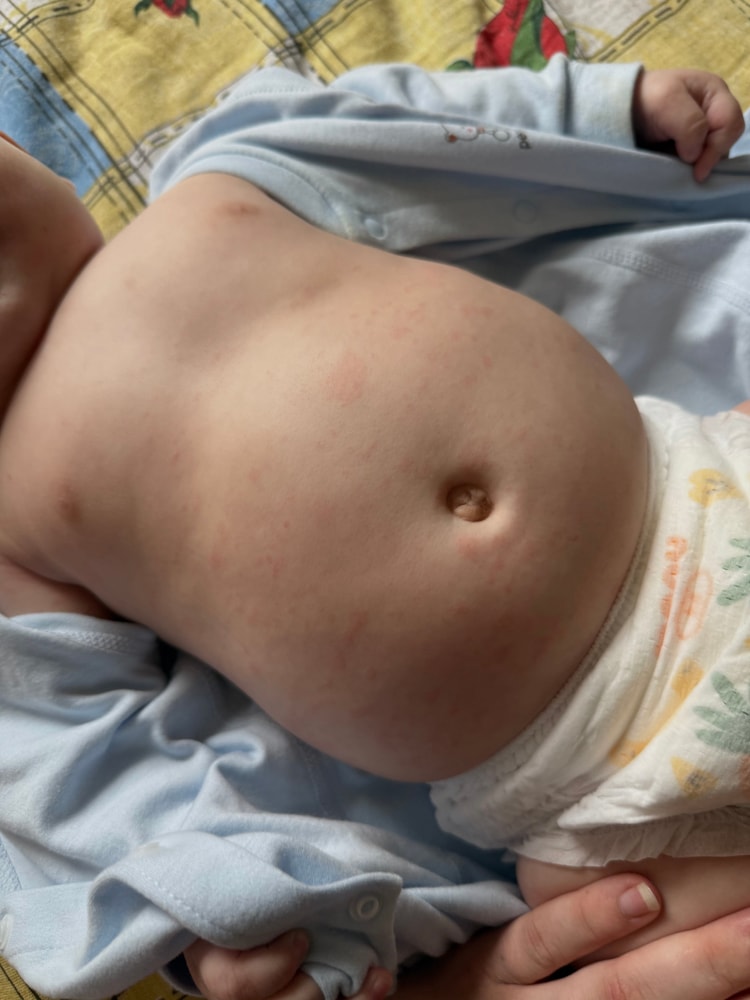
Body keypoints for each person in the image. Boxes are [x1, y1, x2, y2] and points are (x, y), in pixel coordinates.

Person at [2, 55, 750, 1000]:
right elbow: (77, 775)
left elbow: (429, 129)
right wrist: (215, 907)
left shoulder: (228, 172)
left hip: (701, 483)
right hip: (580, 766)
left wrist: (606, 108)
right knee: (617, 917)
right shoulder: (13, 535)